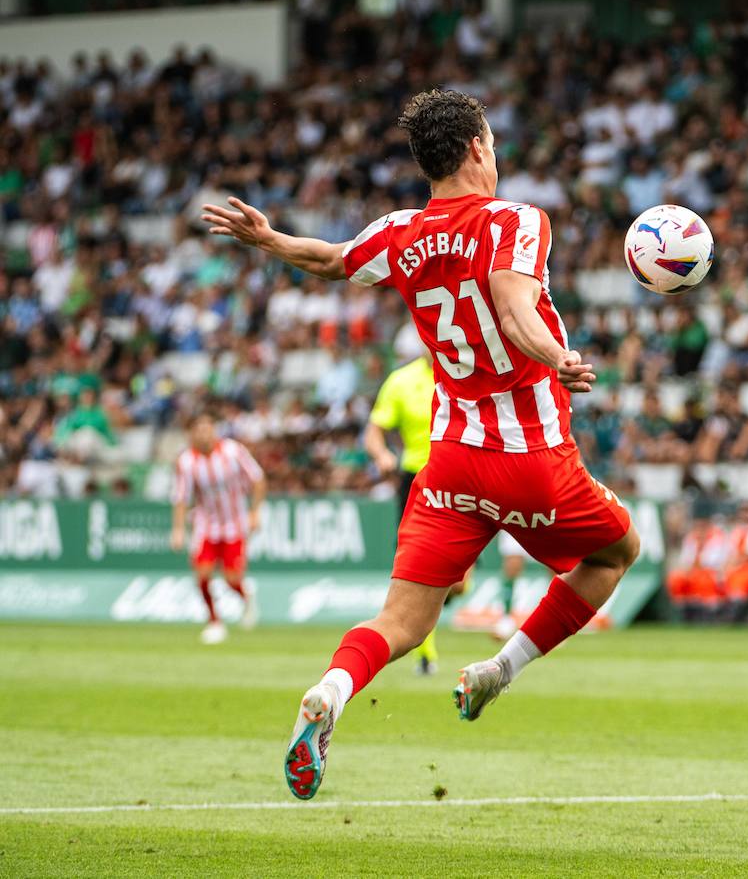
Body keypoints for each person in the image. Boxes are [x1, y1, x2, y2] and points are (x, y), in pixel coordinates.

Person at [203, 89, 640, 802]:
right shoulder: (515, 219)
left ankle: (331, 691)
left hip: (449, 465)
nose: (495, 154)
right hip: (530, 457)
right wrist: (554, 356)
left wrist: (269, 239)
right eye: (493, 143)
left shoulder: (400, 231)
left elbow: (331, 260)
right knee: (618, 553)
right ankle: (502, 667)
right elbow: (513, 303)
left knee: (402, 620)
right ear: (475, 149)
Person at [363, 327, 446, 675]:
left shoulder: (466, 374)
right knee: (421, 569)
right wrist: (381, 454)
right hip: (415, 480)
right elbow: (374, 431)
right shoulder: (401, 381)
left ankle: (452, 588)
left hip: (459, 475)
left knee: (456, 580)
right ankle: (425, 653)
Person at [169, 412, 266, 645]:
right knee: (202, 574)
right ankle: (214, 621)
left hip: (235, 523)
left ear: (214, 430)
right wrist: (178, 529)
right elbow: (181, 497)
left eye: (207, 428)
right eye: (198, 429)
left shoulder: (233, 451)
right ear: (192, 434)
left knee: (232, 578)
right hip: (206, 524)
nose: (204, 434)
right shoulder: (186, 461)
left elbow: (258, 479)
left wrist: (255, 511)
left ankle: (246, 597)